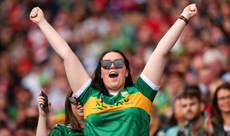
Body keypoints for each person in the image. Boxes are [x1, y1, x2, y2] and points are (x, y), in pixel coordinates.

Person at [30, 3, 197, 135]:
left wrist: (184, 17)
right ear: (101, 74)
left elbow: (160, 52)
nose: (112, 66)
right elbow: (67, 54)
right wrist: (42, 22)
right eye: (106, 64)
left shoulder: (141, 93)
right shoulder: (89, 96)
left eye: (118, 63)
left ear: (126, 71)